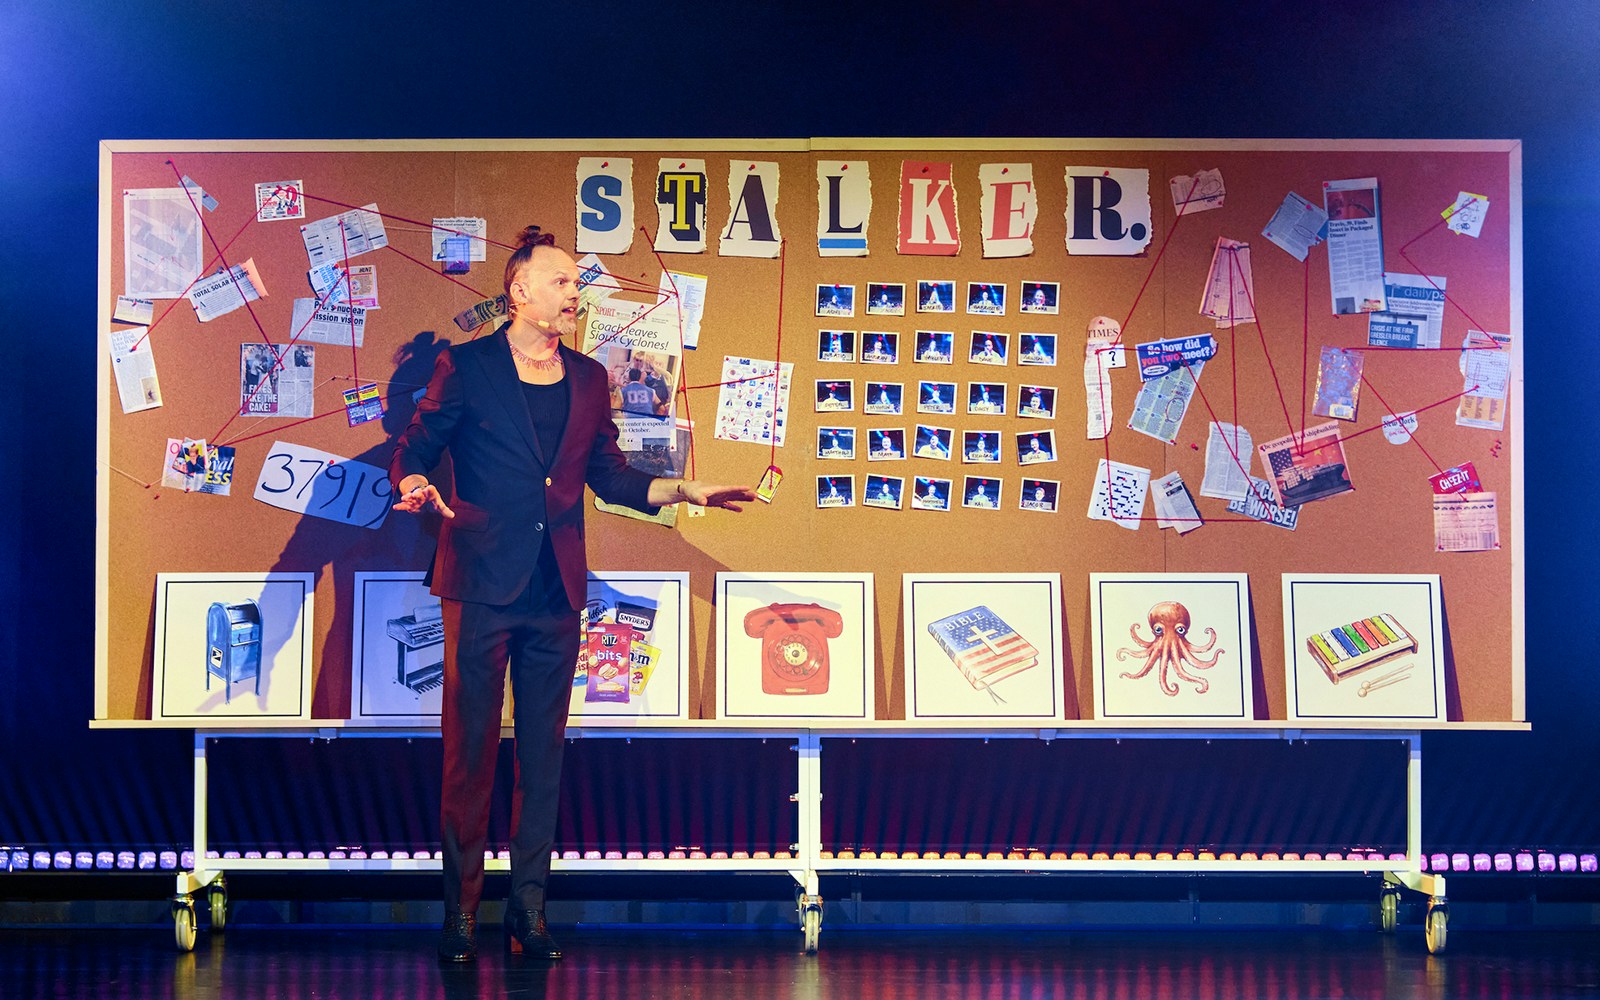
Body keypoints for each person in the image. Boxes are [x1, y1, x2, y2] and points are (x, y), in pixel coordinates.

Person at [390, 226, 755, 963]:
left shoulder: (590, 378)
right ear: (520, 290)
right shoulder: (463, 366)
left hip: (555, 589)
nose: (574, 295)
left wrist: (685, 487)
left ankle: (528, 912)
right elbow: (415, 449)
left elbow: (610, 476)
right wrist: (414, 484)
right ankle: (460, 917)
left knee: (543, 757)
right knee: (468, 758)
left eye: (576, 285)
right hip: (479, 583)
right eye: (562, 283)